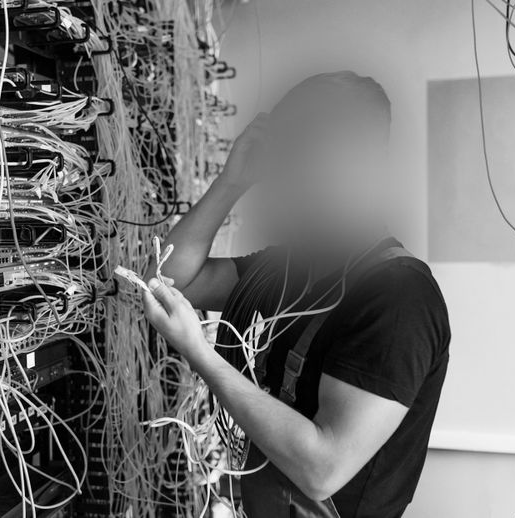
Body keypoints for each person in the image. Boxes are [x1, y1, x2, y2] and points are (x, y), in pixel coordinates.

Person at [141, 71, 450, 518]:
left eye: (306, 154)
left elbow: (322, 467)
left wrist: (200, 353)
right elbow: (169, 279)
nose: (290, 177)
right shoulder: (292, 268)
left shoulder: (400, 297)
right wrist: (232, 182)